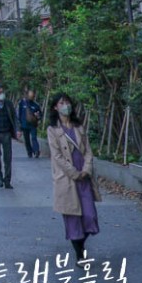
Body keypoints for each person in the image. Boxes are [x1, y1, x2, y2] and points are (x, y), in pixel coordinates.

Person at [47, 91, 100, 262]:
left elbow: (88, 150)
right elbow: (57, 156)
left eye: (67, 102)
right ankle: (79, 254)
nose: (65, 106)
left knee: (90, 216)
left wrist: (86, 169)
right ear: (55, 107)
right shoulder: (53, 130)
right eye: (61, 103)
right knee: (73, 218)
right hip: (67, 178)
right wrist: (73, 173)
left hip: (83, 176)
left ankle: (81, 244)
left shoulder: (78, 126)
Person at [18, 88, 42, 159]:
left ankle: (36, 150)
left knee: (34, 137)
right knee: (27, 140)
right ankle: (29, 152)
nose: (31, 97)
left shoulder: (36, 105)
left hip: (33, 125)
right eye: (30, 96)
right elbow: (19, 114)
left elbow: (40, 114)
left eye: (32, 96)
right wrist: (19, 124)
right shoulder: (22, 103)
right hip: (24, 125)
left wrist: (38, 116)